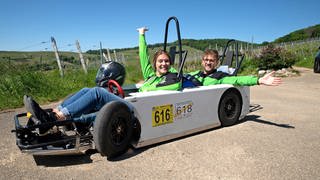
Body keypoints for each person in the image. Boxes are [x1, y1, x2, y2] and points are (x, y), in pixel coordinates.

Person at [24, 27, 181, 125]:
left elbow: (175, 85)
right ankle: (54, 113)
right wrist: (141, 36)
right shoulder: (151, 75)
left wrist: (144, 91)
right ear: (155, 64)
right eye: (160, 61)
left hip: (138, 107)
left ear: (170, 63)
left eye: (167, 61)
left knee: (97, 93)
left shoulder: (173, 78)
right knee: (88, 89)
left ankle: (57, 118)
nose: (164, 64)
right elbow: (143, 57)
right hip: (129, 101)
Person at [184, 49, 282, 87]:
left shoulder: (220, 77)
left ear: (217, 63)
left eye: (211, 60)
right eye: (206, 60)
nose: (208, 63)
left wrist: (259, 80)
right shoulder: (196, 73)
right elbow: (181, 76)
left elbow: (238, 80)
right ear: (202, 61)